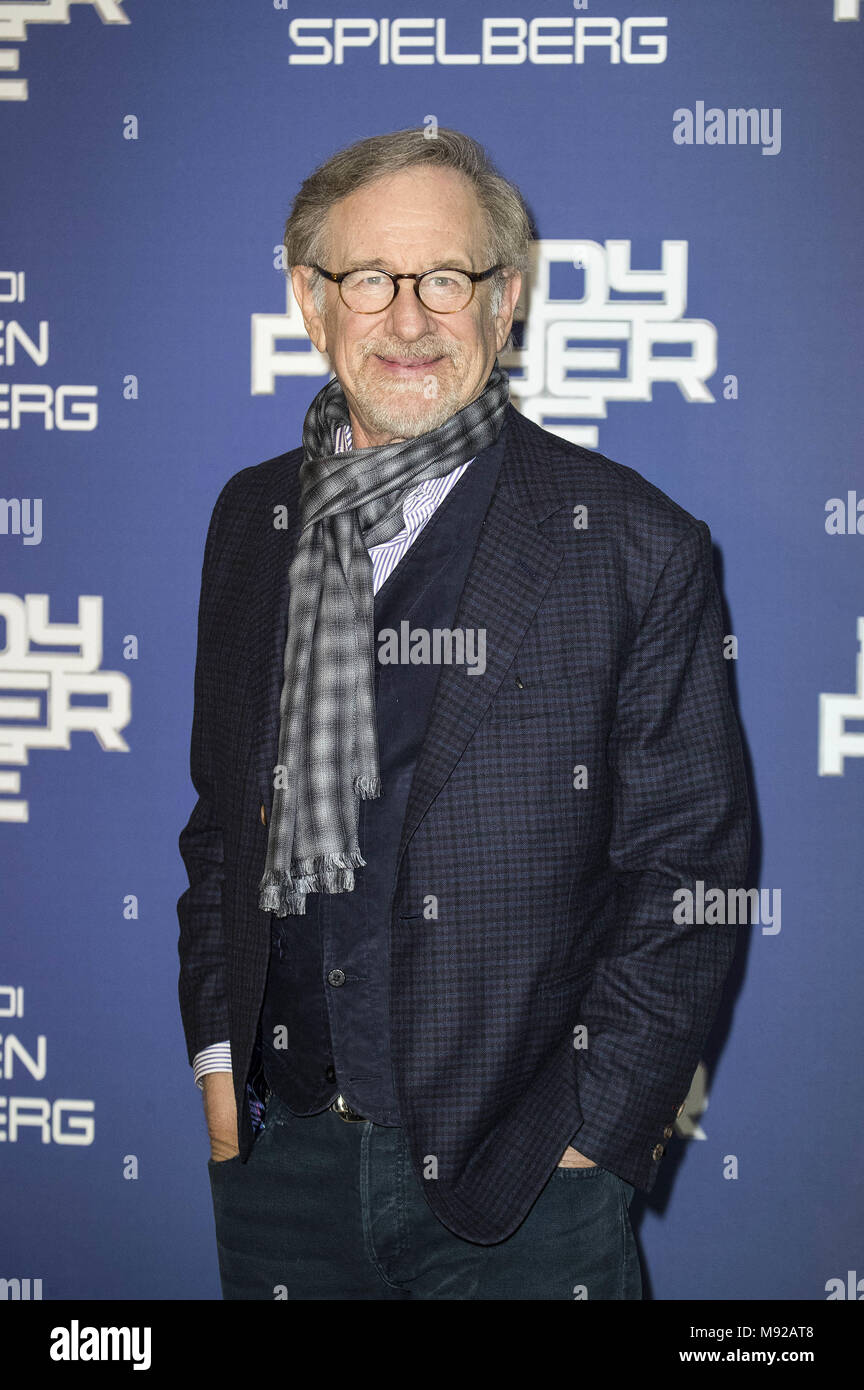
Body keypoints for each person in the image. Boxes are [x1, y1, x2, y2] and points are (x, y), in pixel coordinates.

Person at [177, 126, 750, 1301]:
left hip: (524, 1194)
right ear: (307, 298)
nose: (407, 318)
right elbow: (222, 833)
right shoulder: (251, 523)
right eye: (368, 279)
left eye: (447, 278)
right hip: (281, 1166)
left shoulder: (635, 545)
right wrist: (221, 1078)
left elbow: (690, 875)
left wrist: (592, 1147)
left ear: (506, 302)